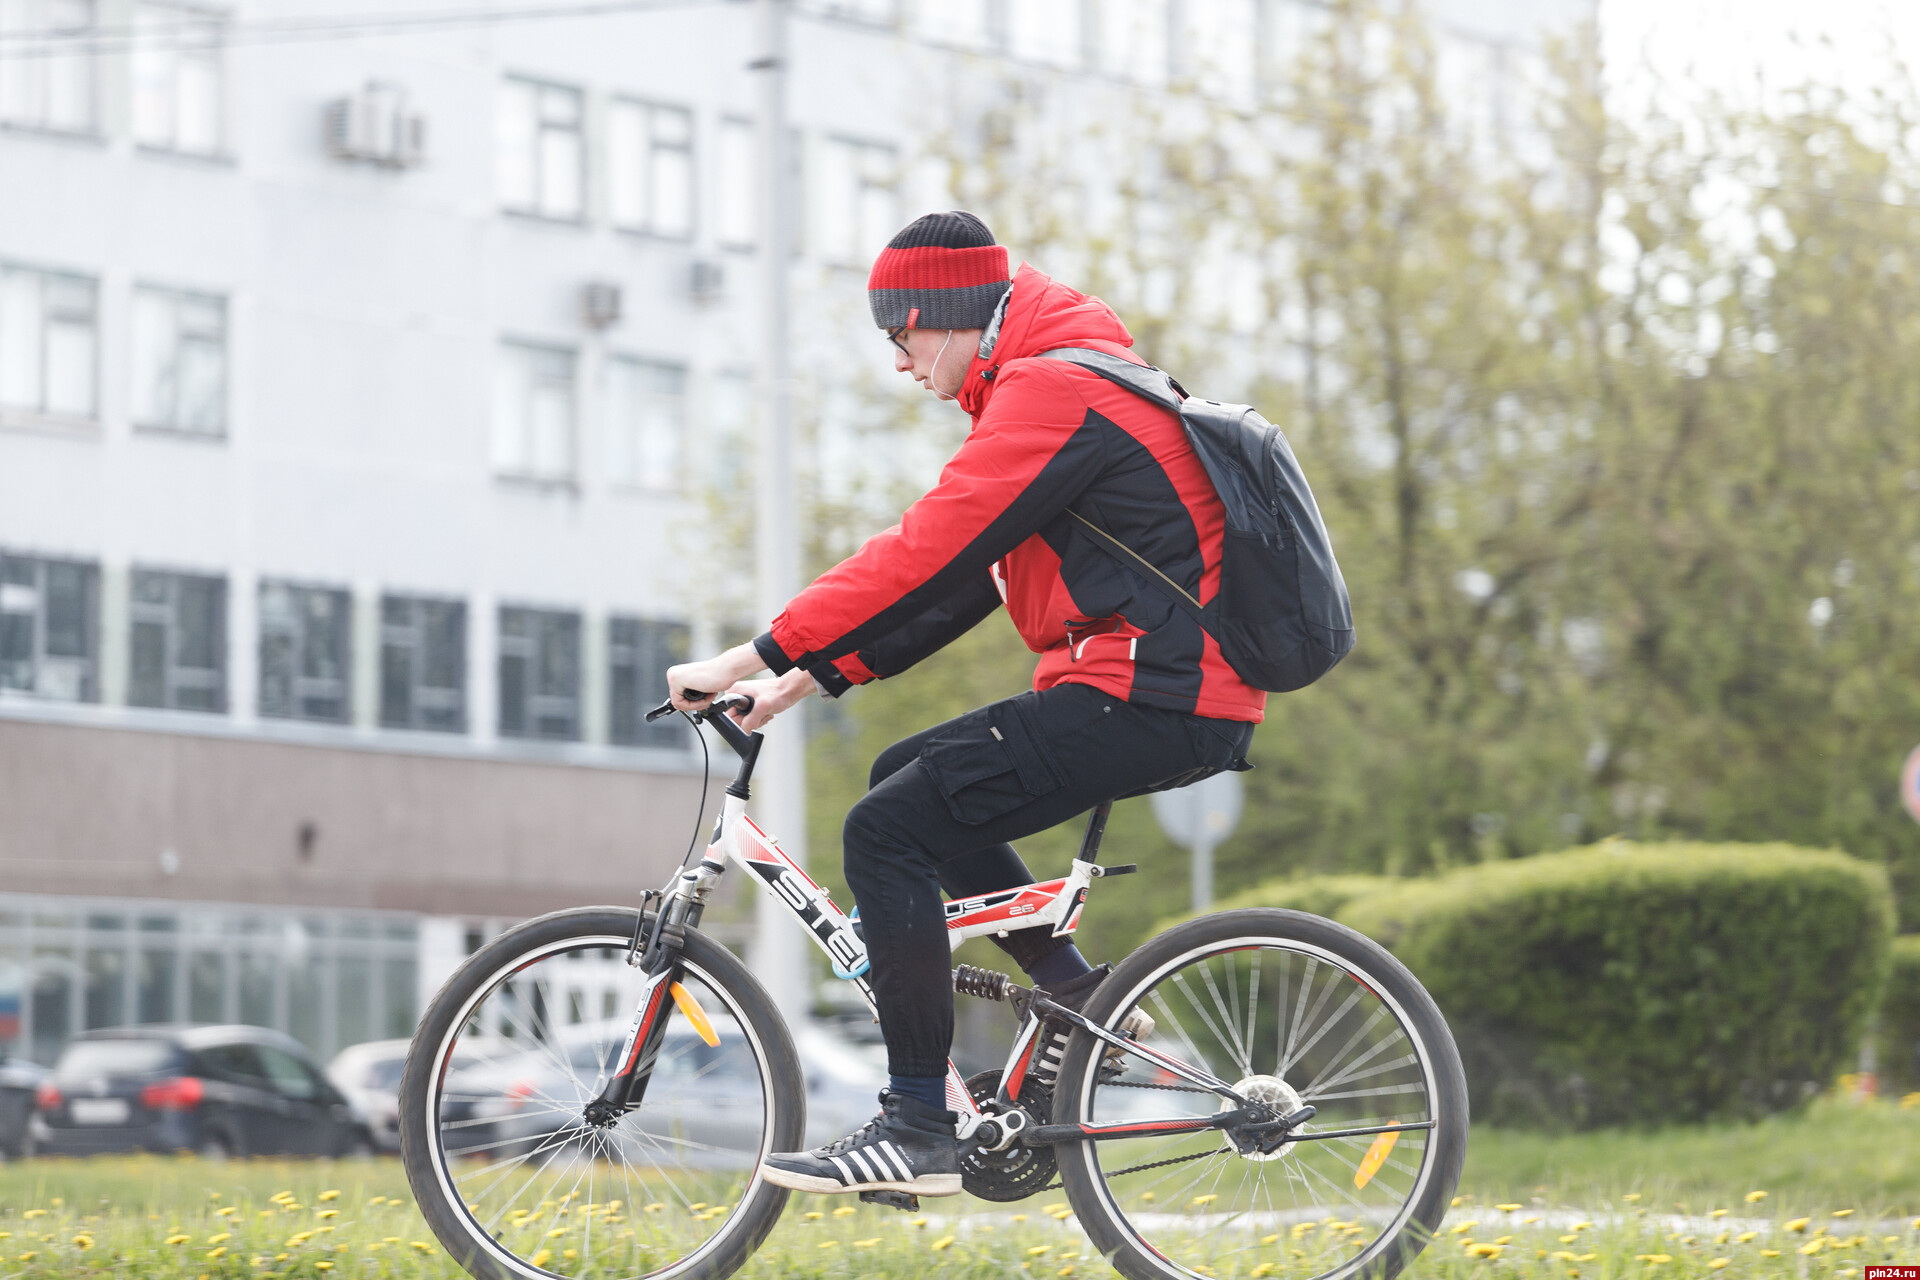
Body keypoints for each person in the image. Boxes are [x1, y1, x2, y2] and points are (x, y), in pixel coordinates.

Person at [665, 210, 1262, 1197]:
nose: (900, 364)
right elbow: (976, 578)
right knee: (906, 775)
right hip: (1155, 682)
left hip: (1153, 686)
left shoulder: (1053, 389)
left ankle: (915, 1122)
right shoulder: (1058, 380)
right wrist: (815, 673)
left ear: (937, 319)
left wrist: (746, 654)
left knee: (886, 831)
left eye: (898, 339)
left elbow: (921, 548)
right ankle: (1077, 996)